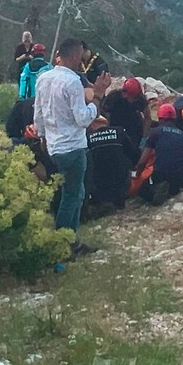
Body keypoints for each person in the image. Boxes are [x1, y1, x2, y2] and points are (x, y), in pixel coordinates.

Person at [33, 37, 111, 259]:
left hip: (53, 145)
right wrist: (97, 96)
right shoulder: (73, 82)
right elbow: (83, 118)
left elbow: (38, 113)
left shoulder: (43, 78)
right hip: (72, 147)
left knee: (75, 192)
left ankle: (72, 240)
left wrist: (42, 137)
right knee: (71, 195)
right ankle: (63, 243)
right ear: (76, 56)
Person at [137, 103, 183, 206]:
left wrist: (137, 174)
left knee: (142, 191)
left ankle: (158, 192)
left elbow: (143, 160)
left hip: (162, 173)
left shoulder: (155, 132)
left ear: (160, 118)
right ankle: (172, 190)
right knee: (173, 183)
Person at [85, 115, 137, 210]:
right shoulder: (119, 132)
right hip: (122, 185)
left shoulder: (87, 139)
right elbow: (134, 154)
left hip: (98, 188)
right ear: (106, 123)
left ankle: (99, 205)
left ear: (92, 125)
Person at [101, 77, 149, 152]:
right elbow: (103, 111)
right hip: (116, 126)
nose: (135, 99)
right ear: (125, 93)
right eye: (133, 97)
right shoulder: (114, 97)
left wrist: (144, 139)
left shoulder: (140, 99)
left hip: (134, 128)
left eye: (136, 97)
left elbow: (148, 118)